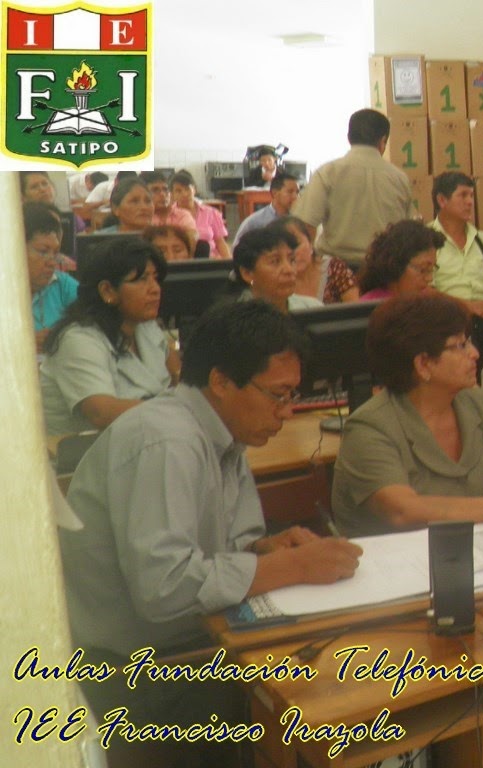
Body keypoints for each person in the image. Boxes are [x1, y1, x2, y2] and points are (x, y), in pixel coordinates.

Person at [59, 301, 362, 766]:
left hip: (195, 645)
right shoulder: (168, 441)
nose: (287, 412)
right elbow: (161, 588)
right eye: (278, 395)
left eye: (293, 396)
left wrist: (264, 550)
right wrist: (290, 566)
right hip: (138, 672)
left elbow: (232, 541)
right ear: (220, 381)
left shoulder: (225, 428)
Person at [331, 292, 483, 536]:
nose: (474, 353)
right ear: (423, 364)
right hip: (399, 565)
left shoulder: (480, 406)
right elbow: (403, 511)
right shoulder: (370, 427)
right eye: (460, 345)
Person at [39, 240, 173, 435]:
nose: (155, 289)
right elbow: (101, 412)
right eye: (142, 279)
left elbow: (169, 383)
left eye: (156, 278)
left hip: (141, 443)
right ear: (107, 291)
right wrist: (176, 411)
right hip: (80, 457)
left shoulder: (145, 327)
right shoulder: (78, 339)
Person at [294, 108, 413, 269]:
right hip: (384, 271)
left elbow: (305, 226)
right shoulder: (400, 179)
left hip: (334, 271)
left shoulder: (327, 172)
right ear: (383, 141)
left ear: (349, 137)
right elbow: (407, 230)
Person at [430, 171, 483, 385]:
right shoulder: (426, 239)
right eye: (463, 195)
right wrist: (468, 306)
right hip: (445, 318)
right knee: (465, 356)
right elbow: (423, 290)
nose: (470, 202)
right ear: (442, 200)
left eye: (472, 196)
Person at [230, 224, 323, 312]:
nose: (289, 270)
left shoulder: (313, 308)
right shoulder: (231, 320)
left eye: (292, 260)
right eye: (275, 261)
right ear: (247, 273)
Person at [26, 201, 78, 350]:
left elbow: (93, 323)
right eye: (43, 251)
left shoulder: (63, 284)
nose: (52, 262)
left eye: (55, 253)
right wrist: (24, 345)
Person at [358, 219, 444, 301]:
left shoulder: (427, 300)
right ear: (396, 265)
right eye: (423, 269)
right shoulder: (370, 308)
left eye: (431, 269)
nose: (430, 278)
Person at [280, 215, 358, 304]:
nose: (293, 254)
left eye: (297, 244)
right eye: (286, 249)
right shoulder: (279, 281)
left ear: (310, 242)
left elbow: (356, 311)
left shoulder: (334, 268)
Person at [170, 170, 231, 259]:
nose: (184, 194)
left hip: (212, 261)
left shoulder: (211, 213)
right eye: (178, 191)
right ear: (172, 195)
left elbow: (220, 242)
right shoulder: (169, 215)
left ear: (194, 189)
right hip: (182, 262)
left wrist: (229, 264)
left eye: (187, 189)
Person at [234, 172, 300, 246]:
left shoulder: (300, 220)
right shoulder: (255, 222)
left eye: (297, 192)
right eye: (290, 192)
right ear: (275, 193)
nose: (295, 196)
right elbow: (237, 250)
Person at [142, 171, 199, 244]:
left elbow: (191, 242)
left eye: (165, 189)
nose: (162, 194)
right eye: (155, 190)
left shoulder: (183, 215)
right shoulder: (142, 217)